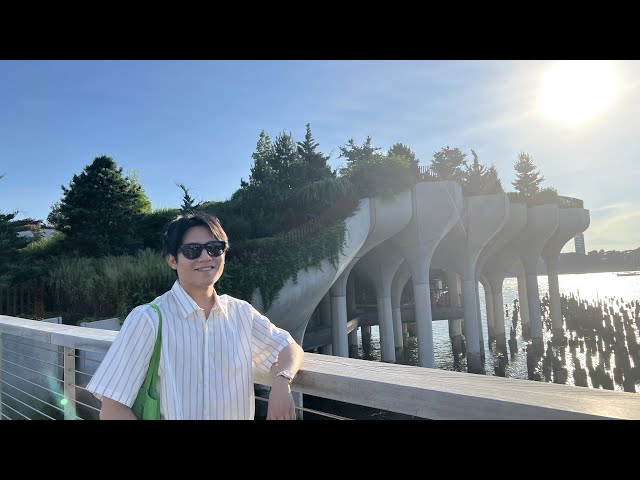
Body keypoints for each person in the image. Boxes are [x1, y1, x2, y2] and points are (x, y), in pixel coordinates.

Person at [86, 213, 304, 420]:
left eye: (214, 248)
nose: (205, 257)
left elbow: (289, 347)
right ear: (173, 260)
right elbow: (112, 409)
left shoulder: (241, 314)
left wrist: (282, 380)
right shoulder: (148, 319)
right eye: (192, 250)